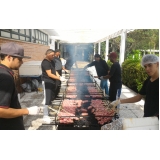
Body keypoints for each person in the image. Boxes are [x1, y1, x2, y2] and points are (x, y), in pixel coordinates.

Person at [0, 42, 40, 130]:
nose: (22, 62)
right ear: (9, 57)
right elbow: (1, 111)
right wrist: (27, 111)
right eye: (20, 59)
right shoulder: (5, 77)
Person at [110, 54, 159, 118]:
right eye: (145, 66)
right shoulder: (148, 81)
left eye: (150, 65)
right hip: (147, 116)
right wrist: (119, 101)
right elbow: (138, 97)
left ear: (157, 64)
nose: (147, 69)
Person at [41, 49, 66, 123]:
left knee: (51, 97)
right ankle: (45, 115)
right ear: (47, 54)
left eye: (53, 55)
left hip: (52, 82)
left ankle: (49, 111)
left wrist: (60, 76)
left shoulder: (51, 61)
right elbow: (49, 74)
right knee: (47, 99)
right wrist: (59, 78)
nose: (53, 56)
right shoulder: (45, 63)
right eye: (52, 55)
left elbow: (54, 71)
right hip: (47, 82)